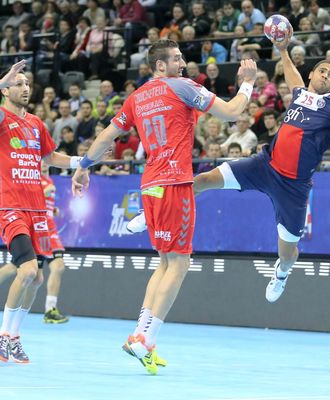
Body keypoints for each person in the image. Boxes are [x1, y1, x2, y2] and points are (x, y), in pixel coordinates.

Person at [126, 35, 330, 307]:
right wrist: (283, 48)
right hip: (264, 165)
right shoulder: (299, 94)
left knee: (288, 252)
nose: (327, 75)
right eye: (323, 70)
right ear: (312, 74)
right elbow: (291, 73)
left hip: (294, 187)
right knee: (202, 179)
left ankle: (282, 273)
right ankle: (150, 213)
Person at [71, 40, 258, 374]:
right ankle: (147, 338)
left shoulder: (135, 97)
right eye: (176, 58)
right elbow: (232, 113)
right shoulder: (184, 87)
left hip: (149, 185)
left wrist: (84, 166)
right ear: (160, 65)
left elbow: (104, 138)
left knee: (164, 263)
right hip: (174, 184)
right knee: (180, 264)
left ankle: (140, 336)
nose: (183, 62)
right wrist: (249, 80)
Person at [0, 60, 83, 363]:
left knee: (35, 279)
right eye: (17, 83)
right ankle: (3, 336)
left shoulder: (35, 123)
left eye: (26, 83)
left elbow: (50, 155)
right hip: (10, 206)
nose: (24, 88)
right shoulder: (2, 119)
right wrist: (1, 81)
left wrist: (79, 162)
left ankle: (14, 337)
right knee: (27, 271)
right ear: (6, 89)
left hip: (37, 209)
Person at [0, 163, 70, 324]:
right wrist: (43, 193)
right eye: (41, 161)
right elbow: (22, 199)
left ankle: (50, 309)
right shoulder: (30, 179)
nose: (44, 164)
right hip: (32, 227)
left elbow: (42, 205)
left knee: (58, 266)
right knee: (23, 271)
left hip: (49, 228)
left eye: (46, 161)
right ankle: (11, 326)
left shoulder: (49, 180)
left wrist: (52, 210)